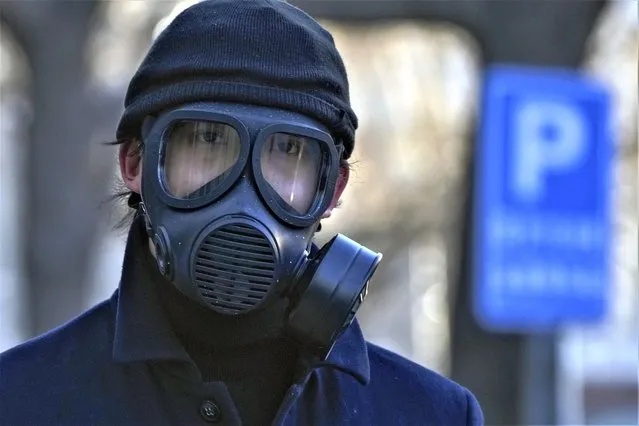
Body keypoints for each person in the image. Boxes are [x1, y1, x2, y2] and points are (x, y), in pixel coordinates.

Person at [0, 1, 484, 425]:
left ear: (333, 188)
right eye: (208, 141)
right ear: (136, 163)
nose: (245, 191)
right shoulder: (20, 401)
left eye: (289, 151)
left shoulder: (432, 415)